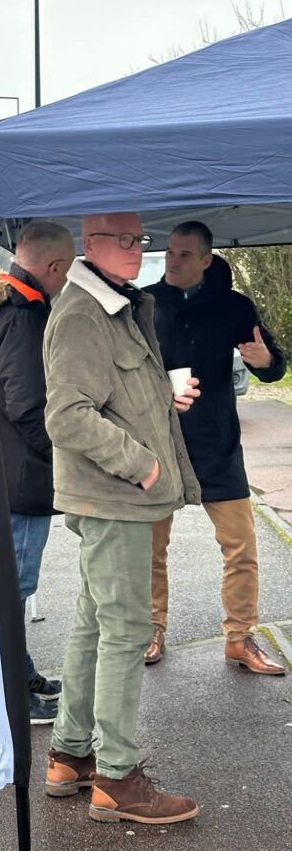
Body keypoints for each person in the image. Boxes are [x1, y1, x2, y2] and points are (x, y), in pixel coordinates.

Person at [43, 212, 202, 824]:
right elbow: (68, 416)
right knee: (127, 631)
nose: (140, 252)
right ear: (91, 245)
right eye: (126, 241)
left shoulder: (112, 304)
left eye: (143, 242)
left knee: (94, 625)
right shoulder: (86, 312)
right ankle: (117, 776)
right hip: (116, 498)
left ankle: (70, 756)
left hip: (114, 498)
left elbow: (114, 398)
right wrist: (145, 466)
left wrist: (165, 396)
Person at [142, 220, 287, 673]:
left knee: (241, 547)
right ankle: (151, 629)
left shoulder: (234, 306)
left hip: (218, 446)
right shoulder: (143, 303)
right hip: (158, 446)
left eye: (185, 255)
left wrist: (268, 363)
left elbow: (271, 363)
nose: (173, 262)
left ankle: (240, 639)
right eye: (170, 252)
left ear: (206, 259)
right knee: (149, 549)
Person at [0, 220, 75, 724]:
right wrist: (58, 453)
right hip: (23, 478)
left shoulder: (3, 300)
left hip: (6, 470)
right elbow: (26, 405)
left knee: (11, 588)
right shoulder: (23, 314)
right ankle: (14, 697)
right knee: (14, 590)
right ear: (55, 267)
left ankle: (20, 674)